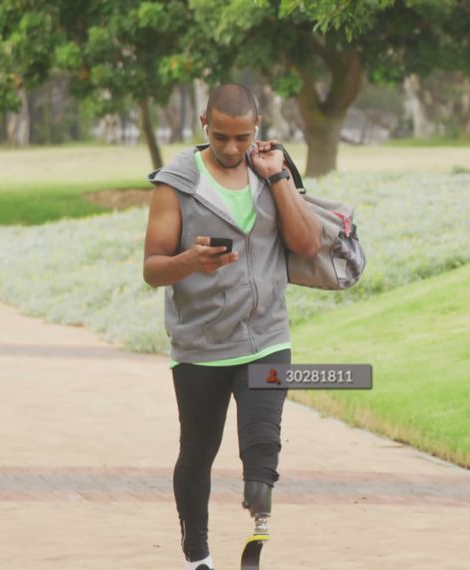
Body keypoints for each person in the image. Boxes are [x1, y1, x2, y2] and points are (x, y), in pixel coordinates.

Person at [143, 83, 321, 570]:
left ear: (255, 130)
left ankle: (256, 536)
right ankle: (197, 555)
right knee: (197, 454)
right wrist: (189, 261)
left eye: (241, 138)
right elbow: (152, 268)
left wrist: (279, 177)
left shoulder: (270, 170)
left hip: (266, 340)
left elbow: (306, 244)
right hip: (201, 345)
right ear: (204, 125)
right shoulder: (176, 182)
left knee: (261, 457)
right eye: (220, 136)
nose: (230, 148)